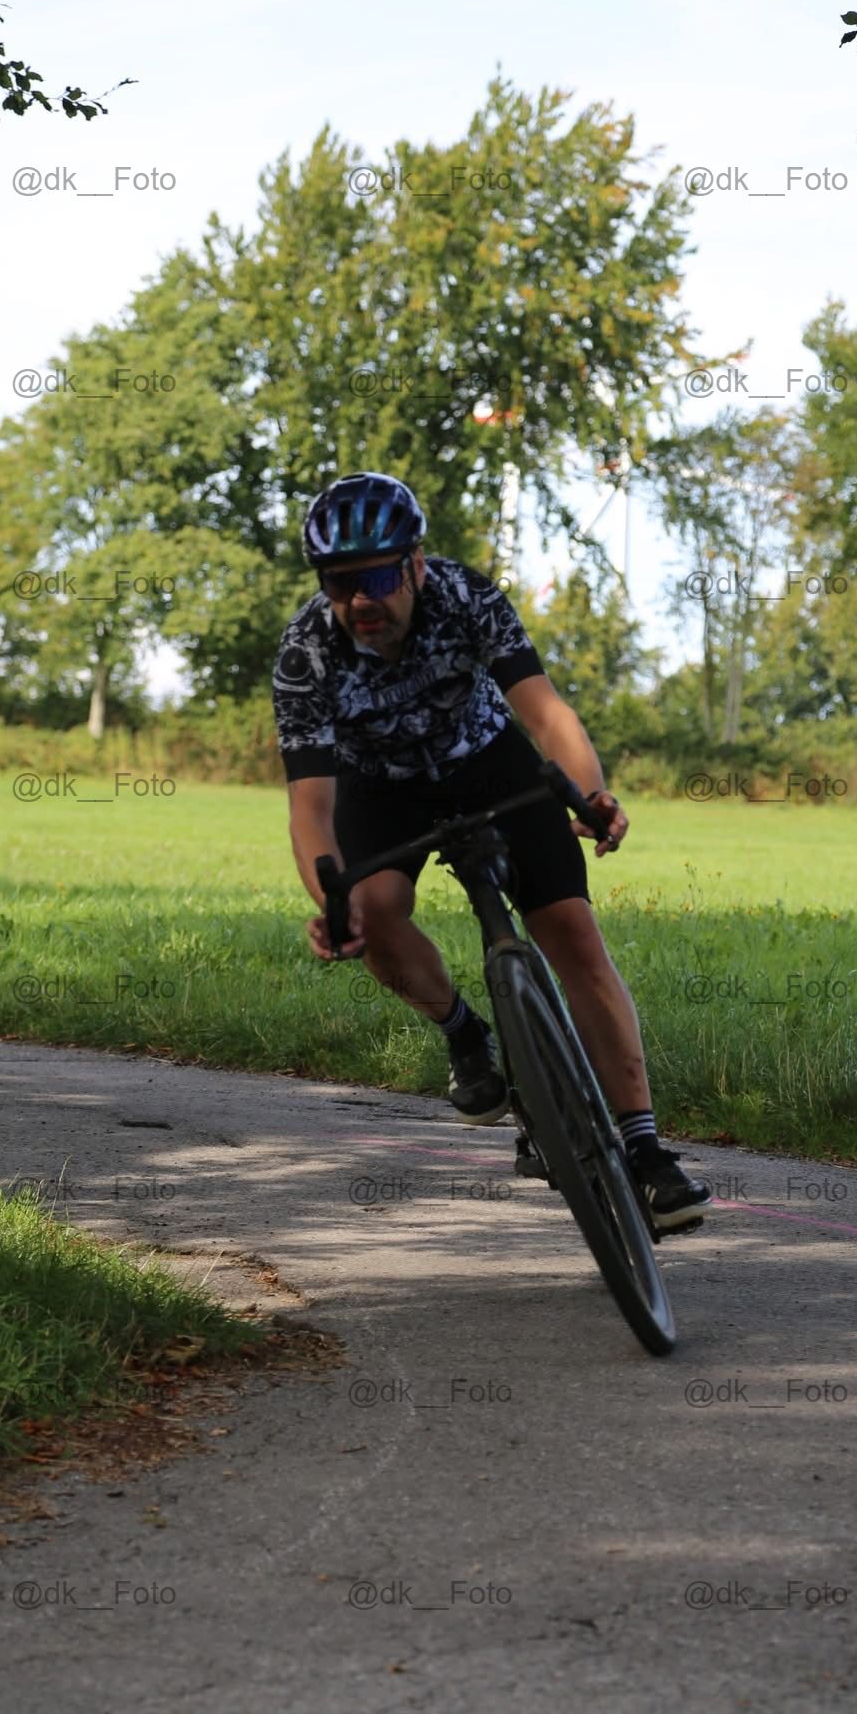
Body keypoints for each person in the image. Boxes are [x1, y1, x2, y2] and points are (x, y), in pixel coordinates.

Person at [271, 470, 712, 1235]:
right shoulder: (305, 652)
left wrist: (589, 793)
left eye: (377, 578)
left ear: (414, 564)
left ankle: (645, 1151)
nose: (360, 601)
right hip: (380, 785)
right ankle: (463, 1033)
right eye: (340, 584)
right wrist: (331, 903)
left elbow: (545, 713)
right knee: (374, 909)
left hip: (487, 760)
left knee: (571, 932)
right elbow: (310, 807)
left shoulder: (464, 596)